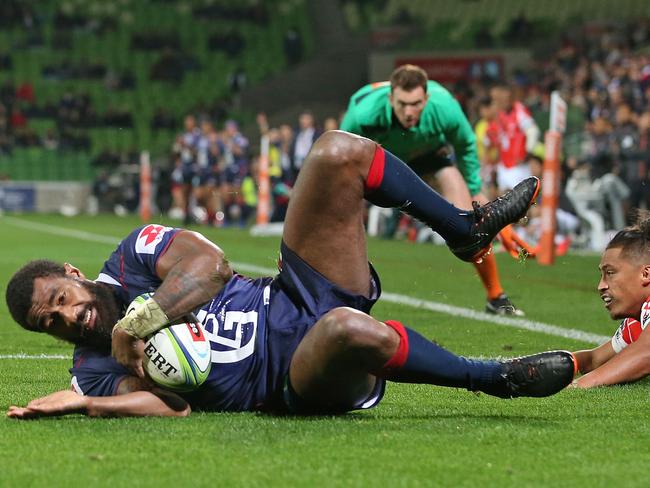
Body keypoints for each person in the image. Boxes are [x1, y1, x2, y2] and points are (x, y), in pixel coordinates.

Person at [5, 130, 575, 419]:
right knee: (350, 330)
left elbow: (210, 267)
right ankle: (494, 378)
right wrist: (87, 403)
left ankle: (463, 229)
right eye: (47, 321)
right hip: (288, 378)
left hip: (292, 292)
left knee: (336, 152)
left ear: (75, 273)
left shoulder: (133, 255)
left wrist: (140, 321)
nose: (65, 315)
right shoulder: (92, 370)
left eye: (58, 297)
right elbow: (167, 407)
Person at [340, 64, 526, 316]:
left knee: (472, 226)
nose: (408, 112)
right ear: (390, 98)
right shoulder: (362, 114)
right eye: (402, 104)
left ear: (426, 99)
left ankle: (496, 297)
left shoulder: (444, 107)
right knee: (343, 218)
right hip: (383, 161)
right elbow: (341, 157)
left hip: (428, 155)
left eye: (415, 104)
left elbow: (465, 144)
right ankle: (343, 297)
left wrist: (476, 191)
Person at [572, 212, 650, 388]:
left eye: (610, 273)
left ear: (645, 274)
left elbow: (647, 353)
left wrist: (578, 385)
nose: (601, 286)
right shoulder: (638, 321)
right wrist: (537, 366)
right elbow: (594, 360)